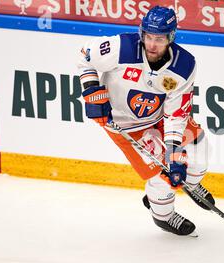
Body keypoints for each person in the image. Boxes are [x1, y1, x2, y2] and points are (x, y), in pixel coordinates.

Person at [77, 6, 215, 236]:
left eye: (159, 39)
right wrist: (92, 89)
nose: (151, 44)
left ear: (171, 37)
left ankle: (191, 184)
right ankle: (164, 216)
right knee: (162, 178)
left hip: (160, 117)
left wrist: (173, 150)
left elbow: (176, 113)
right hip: (126, 127)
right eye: (148, 37)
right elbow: (85, 55)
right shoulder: (121, 47)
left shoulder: (184, 65)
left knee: (200, 149)